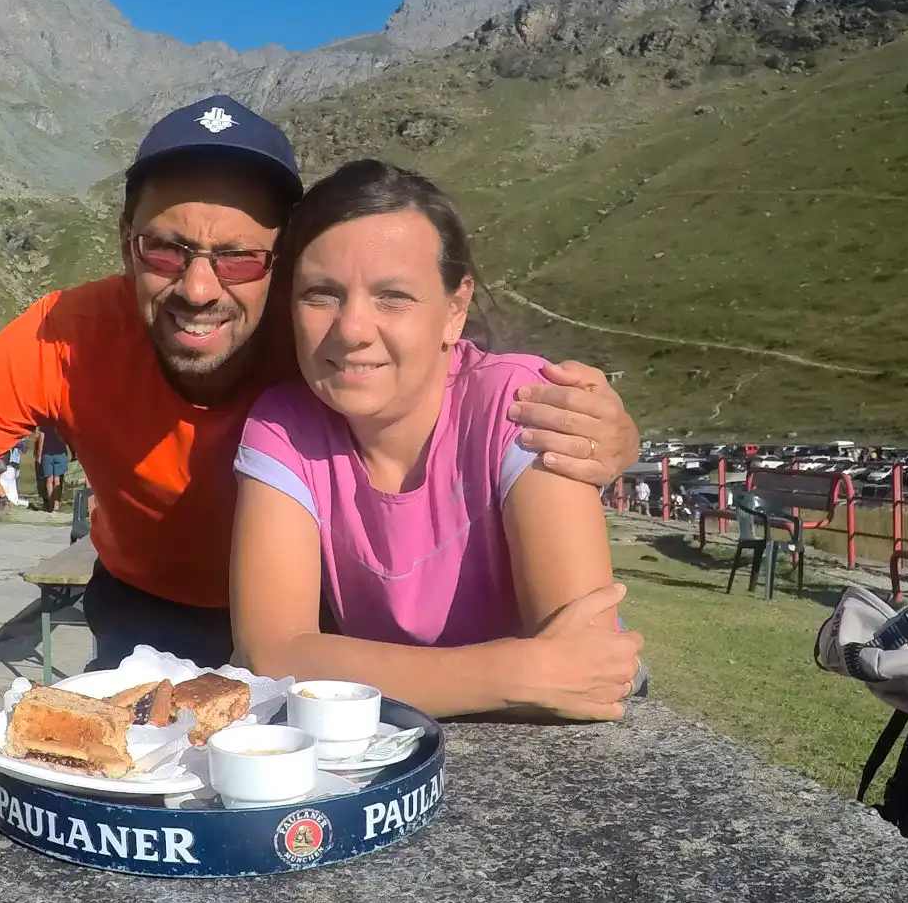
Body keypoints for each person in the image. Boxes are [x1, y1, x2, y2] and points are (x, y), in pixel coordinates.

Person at [0, 97, 640, 702]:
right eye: (166, 249)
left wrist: (605, 431)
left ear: (282, 267)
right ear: (124, 244)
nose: (199, 287)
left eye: (239, 257)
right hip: (140, 603)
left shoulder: (320, 339)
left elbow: (447, 374)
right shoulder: (62, 334)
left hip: (313, 620)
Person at [229, 160, 641, 719]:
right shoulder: (283, 427)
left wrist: (337, 669)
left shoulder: (523, 406)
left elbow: (585, 668)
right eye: (322, 294)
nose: (351, 329)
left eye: (393, 296)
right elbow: (269, 654)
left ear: (455, 309)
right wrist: (515, 672)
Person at [35, 422, 72, 514]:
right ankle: (54, 504)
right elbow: (68, 438)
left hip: (49, 453)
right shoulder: (62, 423)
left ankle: (53, 504)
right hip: (58, 453)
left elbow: (41, 438)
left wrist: (39, 454)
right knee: (54, 480)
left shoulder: (45, 423)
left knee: (51, 480)